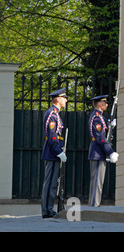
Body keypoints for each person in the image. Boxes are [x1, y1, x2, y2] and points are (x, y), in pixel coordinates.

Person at [41, 88, 68, 218]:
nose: (66, 100)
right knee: (50, 182)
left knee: (53, 182)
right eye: (64, 98)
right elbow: (52, 136)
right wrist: (58, 152)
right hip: (52, 153)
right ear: (57, 99)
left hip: (55, 152)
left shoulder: (56, 114)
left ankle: (49, 208)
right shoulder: (51, 114)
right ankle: (47, 209)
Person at [88, 95, 119, 207]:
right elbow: (101, 138)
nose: (107, 104)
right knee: (97, 182)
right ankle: (94, 206)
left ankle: (95, 204)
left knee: (98, 182)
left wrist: (110, 125)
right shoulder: (96, 118)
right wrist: (110, 152)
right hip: (97, 153)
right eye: (105, 102)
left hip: (98, 152)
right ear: (100, 104)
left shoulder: (100, 117)